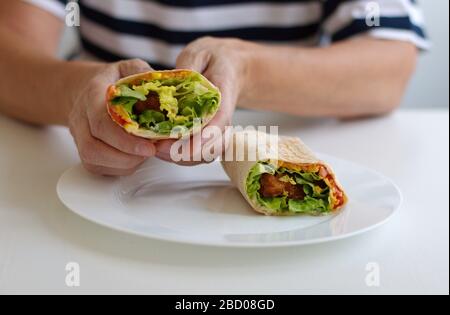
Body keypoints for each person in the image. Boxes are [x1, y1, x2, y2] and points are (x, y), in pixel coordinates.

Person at [0, 0, 428, 176]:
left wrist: (244, 71)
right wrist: (78, 95)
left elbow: (388, 66)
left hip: (296, 149)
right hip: (84, 174)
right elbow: (9, 49)